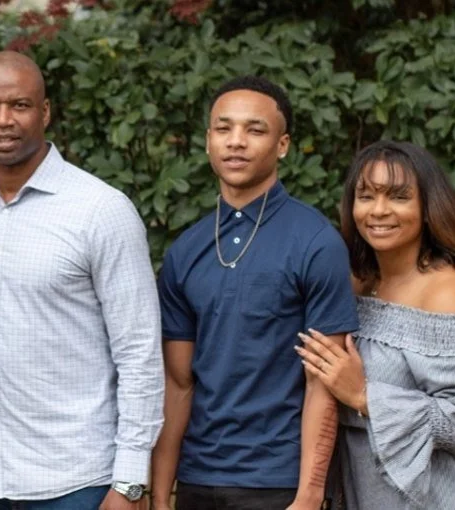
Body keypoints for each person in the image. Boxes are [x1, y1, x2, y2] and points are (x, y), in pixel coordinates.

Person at [0, 51, 164, 510]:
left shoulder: (101, 210)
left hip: (78, 483)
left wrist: (130, 482)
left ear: (45, 112)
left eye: (19, 105)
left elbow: (139, 352)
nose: (2, 120)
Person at [151, 76, 359, 510]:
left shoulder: (316, 242)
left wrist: (309, 495)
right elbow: (178, 383)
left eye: (255, 129)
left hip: (277, 482)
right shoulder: (186, 251)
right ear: (208, 141)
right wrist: (159, 494)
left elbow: (323, 381)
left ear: (282, 145)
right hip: (197, 478)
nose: (236, 141)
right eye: (223, 128)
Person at [295, 140, 455, 510]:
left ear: (427, 208)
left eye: (398, 196)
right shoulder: (354, 285)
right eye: (366, 196)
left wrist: (365, 395)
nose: (379, 210)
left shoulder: (449, 293)